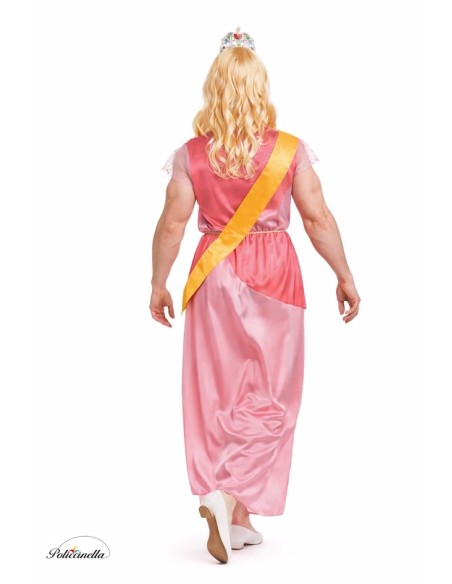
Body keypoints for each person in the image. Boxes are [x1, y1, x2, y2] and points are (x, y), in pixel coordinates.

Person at [149, 28, 361, 564]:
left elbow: (173, 224)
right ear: (261, 87)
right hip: (275, 273)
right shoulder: (289, 150)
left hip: (212, 274)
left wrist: (158, 282)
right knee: (273, 396)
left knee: (217, 393)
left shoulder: (191, 155)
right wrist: (343, 274)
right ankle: (228, 499)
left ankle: (235, 515)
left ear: (213, 87)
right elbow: (317, 218)